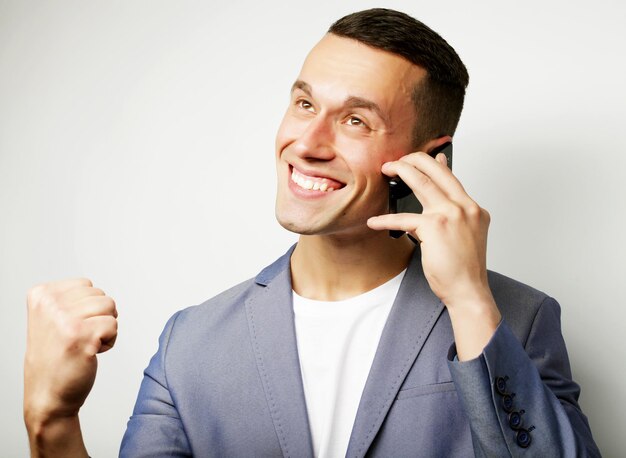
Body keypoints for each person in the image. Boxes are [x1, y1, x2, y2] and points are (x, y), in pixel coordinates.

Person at [24, 8, 600, 457]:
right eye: (304, 103)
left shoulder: (515, 320)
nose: (308, 142)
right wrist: (51, 423)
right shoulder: (190, 343)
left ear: (430, 161)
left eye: (355, 120)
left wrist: (470, 299)